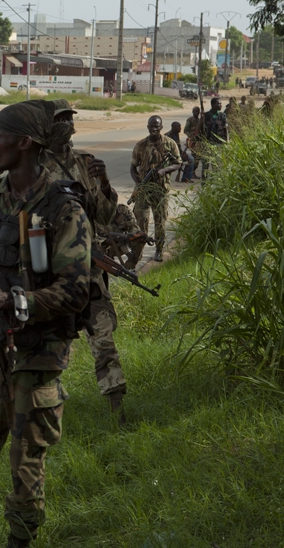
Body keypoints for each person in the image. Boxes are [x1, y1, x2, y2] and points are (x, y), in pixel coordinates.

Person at [0, 100, 91, 548]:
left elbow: (77, 291)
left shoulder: (63, 210)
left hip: (35, 360)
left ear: (25, 144)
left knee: (25, 477)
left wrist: (12, 301)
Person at [43, 100, 127, 418]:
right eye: (59, 119)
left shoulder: (85, 163)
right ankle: (48, 412)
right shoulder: (33, 167)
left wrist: (104, 184)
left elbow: (105, 215)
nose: (66, 123)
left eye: (69, 118)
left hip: (90, 270)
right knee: (52, 344)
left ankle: (117, 408)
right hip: (53, 273)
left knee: (103, 339)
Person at [128, 115, 182, 264]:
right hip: (143, 190)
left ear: (161, 128)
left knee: (160, 222)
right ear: (147, 127)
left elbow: (178, 163)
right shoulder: (141, 145)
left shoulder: (170, 144)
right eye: (151, 126)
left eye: (156, 127)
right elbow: (133, 167)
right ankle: (138, 252)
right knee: (141, 221)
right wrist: (139, 183)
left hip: (160, 190)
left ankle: (159, 250)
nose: (153, 129)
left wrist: (165, 170)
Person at [183, 106, 202, 181]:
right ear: (192, 111)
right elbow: (185, 130)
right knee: (195, 156)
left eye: (198, 111)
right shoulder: (190, 119)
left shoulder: (199, 120)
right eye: (195, 111)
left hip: (199, 141)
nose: (196, 112)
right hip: (193, 141)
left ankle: (193, 172)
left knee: (198, 157)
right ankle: (191, 173)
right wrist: (190, 136)